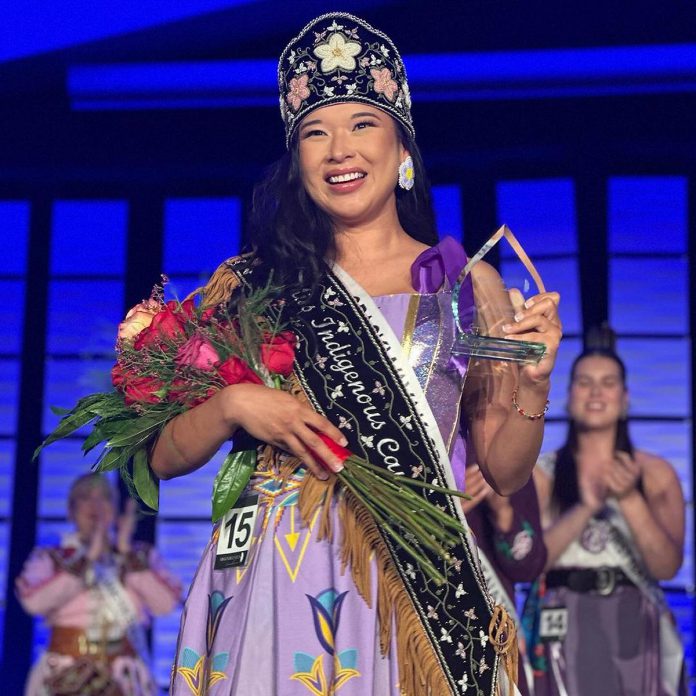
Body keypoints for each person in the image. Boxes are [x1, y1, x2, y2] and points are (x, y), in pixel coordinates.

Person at [152, 12, 561, 696]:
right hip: (279, 589)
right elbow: (163, 457)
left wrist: (536, 386)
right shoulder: (256, 286)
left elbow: (505, 471)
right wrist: (233, 404)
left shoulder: (468, 285)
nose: (339, 150)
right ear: (298, 160)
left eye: (362, 125)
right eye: (316, 132)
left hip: (416, 593)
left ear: (403, 150)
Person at [529, 337, 687, 696]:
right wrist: (585, 507)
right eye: (584, 382)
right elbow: (531, 562)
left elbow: (666, 568)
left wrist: (629, 498)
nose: (596, 392)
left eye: (608, 382)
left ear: (625, 398)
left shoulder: (656, 472)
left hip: (636, 623)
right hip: (563, 624)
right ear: (569, 397)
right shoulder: (542, 472)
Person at [17, 473, 182, 696]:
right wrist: (88, 559)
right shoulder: (52, 557)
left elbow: (166, 605)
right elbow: (33, 603)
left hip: (123, 676)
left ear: (115, 509)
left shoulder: (139, 556)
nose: (96, 505)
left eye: (104, 497)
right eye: (85, 497)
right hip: (64, 674)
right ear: (70, 509)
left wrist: (125, 552)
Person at [461, 463, 547, 696]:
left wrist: (503, 512)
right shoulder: (409, 442)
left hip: (493, 638)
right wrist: (443, 512)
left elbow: (528, 566)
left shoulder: (507, 457)